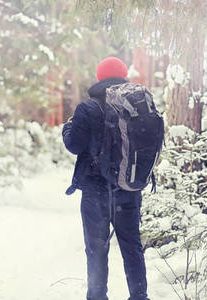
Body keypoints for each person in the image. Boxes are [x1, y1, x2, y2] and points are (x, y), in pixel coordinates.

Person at [62, 57, 149, 300]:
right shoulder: (137, 106)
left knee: (97, 250)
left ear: (100, 77)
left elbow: (75, 145)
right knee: (132, 247)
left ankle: (97, 297)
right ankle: (139, 296)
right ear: (123, 76)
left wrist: (67, 128)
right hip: (128, 189)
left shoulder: (88, 108)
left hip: (95, 191)